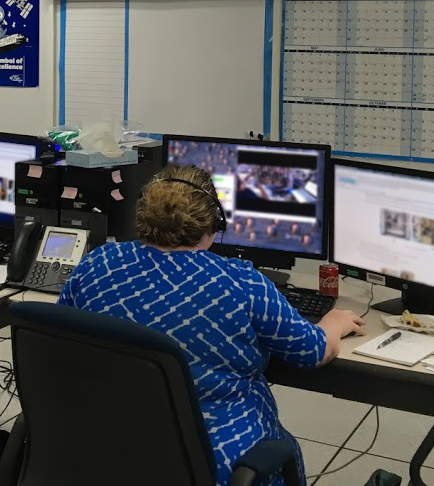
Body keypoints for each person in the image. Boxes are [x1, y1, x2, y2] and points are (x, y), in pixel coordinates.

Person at [59, 165, 365, 486]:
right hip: (214, 462)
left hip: (104, 448)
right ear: (213, 223)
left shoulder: (97, 264)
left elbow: (62, 334)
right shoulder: (241, 282)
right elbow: (312, 351)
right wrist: (334, 322)